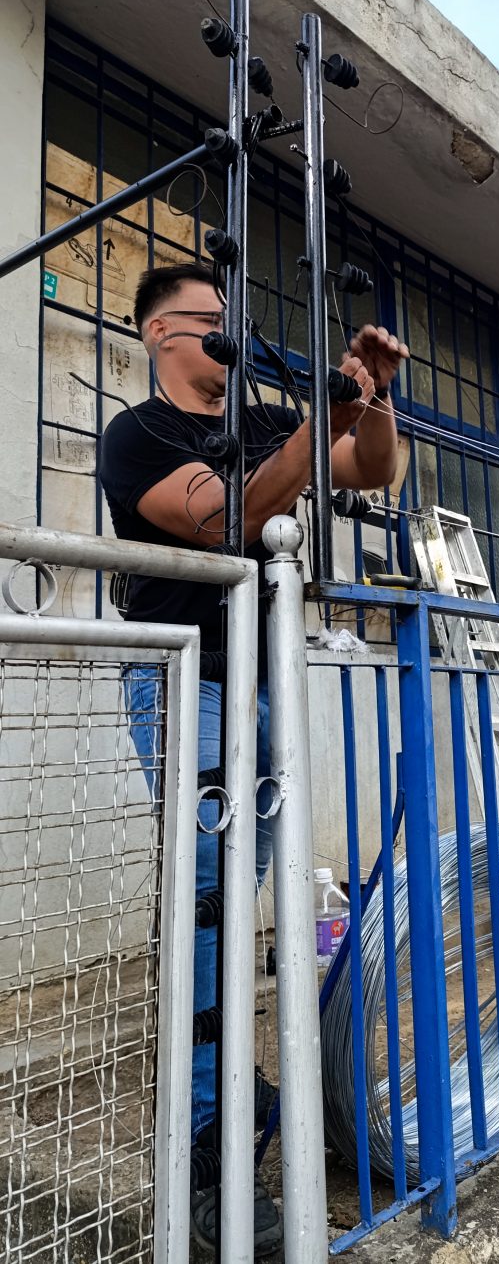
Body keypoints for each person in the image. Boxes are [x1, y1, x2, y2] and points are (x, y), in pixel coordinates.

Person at [99, 261, 408, 1256]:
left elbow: (373, 471)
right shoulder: (138, 435)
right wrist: (321, 420)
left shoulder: (269, 419)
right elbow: (225, 519)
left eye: (232, 317)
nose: (228, 333)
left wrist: (371, 400)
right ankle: (203, 1146)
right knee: (206, 901)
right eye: (209, 319)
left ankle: (234, 1082)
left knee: (241, 902)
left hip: (267, 686)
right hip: (192, 682)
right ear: (160, 333)